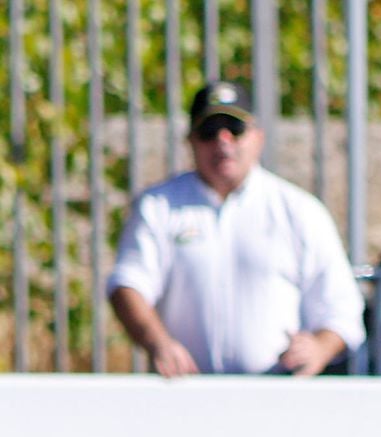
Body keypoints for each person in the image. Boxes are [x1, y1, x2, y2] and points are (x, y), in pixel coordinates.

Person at [107, 80, 366, 377]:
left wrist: (319, 347)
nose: (223, 141)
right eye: (209, 131)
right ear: (190, 140)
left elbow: (342, 308)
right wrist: (159, 342)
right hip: (186, 397)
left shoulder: (298, 210)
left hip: (279, 398)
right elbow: (128, 284)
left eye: (235, 128)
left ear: (258, 137)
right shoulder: (159, 206)